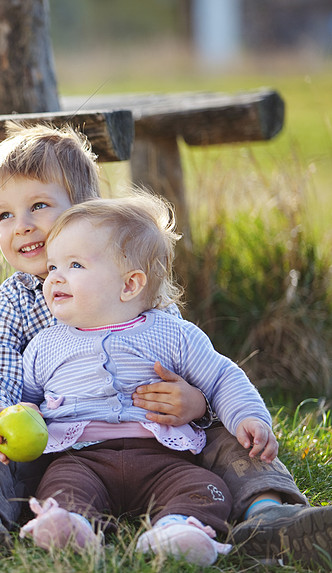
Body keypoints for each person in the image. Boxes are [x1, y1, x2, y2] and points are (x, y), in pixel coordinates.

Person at [0, 122, 331, 565]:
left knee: (233, 436)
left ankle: (270, 515)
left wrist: (198, 404)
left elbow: (203, 367)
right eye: (5, 215)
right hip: (57, 448)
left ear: (83, 211)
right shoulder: (13, 302)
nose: (23, 226)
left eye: (38, 206)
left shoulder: (140, 297)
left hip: (163, 440)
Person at [15, 193, 275, 565]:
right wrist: (5, 414)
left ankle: (177, 528)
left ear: (130, 284)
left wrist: (249, 417)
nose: (54, 277)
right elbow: (16, 397)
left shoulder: (172, 335)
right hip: (82, 457)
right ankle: (71, 524)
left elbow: (221, 377)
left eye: (74, 265)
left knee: (204, 487)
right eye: (52, 266)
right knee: (63, 486)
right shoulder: (46, 345)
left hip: (163, 458)